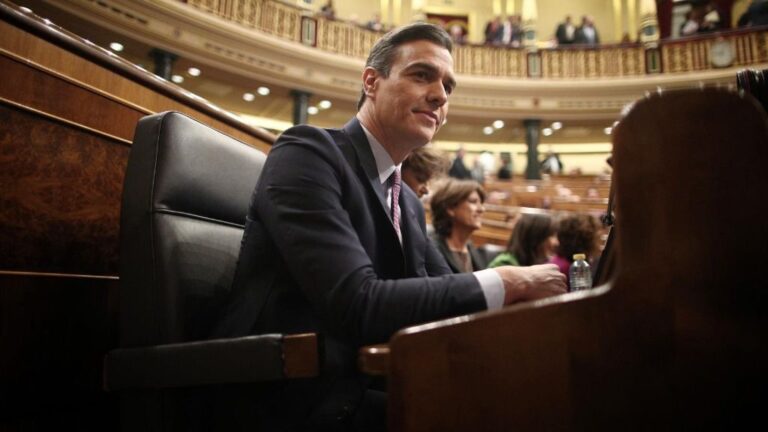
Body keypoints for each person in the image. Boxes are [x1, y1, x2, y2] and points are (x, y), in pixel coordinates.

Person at [215, 22, 567, 430]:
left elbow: (439, 293)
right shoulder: (308, 153)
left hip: (372, 383)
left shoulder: (408, 203)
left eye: (448, 87)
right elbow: (358, 303)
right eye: (422, 75)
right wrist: (508, 281)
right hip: (292, 399)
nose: (439, 95)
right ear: (371, 82)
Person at [430, 179, 488, 273]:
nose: (481, 209)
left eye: (481, 203)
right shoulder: (432, 250)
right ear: (450, 208)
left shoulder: (472, 249)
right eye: (473, 202)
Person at [488, 213, 558, 267]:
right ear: (535, 238)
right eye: (551, 235)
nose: (556, 242)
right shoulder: (504, 264)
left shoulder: (541, 261)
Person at [549, 214, 601, 285]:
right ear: (585, 241)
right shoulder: (569, 269)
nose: (598, 244)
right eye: (597, 239)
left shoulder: (563, 261)